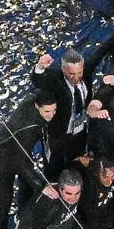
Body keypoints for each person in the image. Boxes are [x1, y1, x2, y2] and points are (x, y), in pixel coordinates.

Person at [0, 90, 56, 229]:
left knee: (26, 186)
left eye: (54, 110)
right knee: (5, 199)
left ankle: (22, 215)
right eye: (47, 112)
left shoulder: (33, 101)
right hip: (1, 158)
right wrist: (42, 186)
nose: (51, 115)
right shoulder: (30, 128)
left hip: (18, 151)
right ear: (37, 107)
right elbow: (23, 165)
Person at [30, 49, 96, 178]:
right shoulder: (55, 79)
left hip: (80, 132)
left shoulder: (86, 74)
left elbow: (98, 53)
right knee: (54, 169)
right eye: (71, 74)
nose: (76, 77)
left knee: (77, 165)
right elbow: (38, 80)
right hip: (57, 134)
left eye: (79, 72)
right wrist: (39, 67)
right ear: (63, 69)